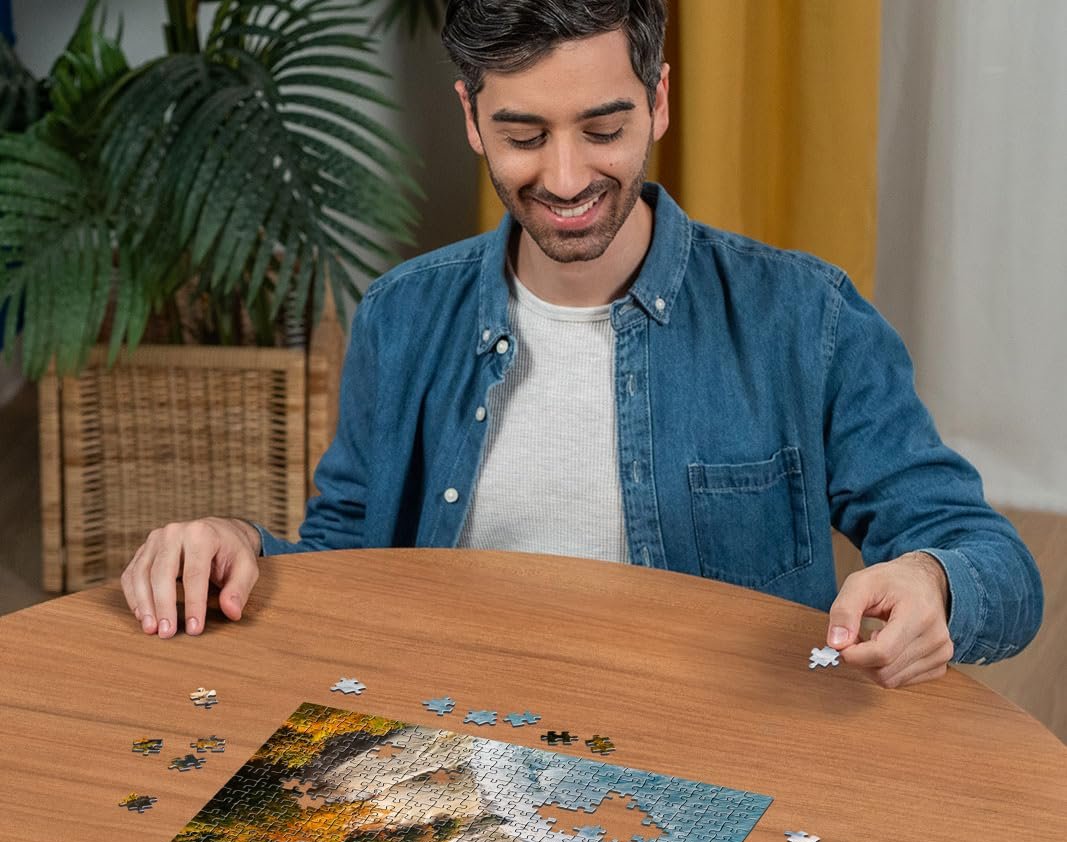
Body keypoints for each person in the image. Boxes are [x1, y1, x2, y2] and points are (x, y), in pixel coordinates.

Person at [121, 0, 1043, 689]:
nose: (565, 178)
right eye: (523, 135)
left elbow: (997, 565)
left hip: (721, 761)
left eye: (603, 128)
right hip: (447, 739)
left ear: (659, 100)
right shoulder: (401, 314)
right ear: (472, 118)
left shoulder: (804, 317)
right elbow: (344, 566)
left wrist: (933, 582)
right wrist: (234, 542)